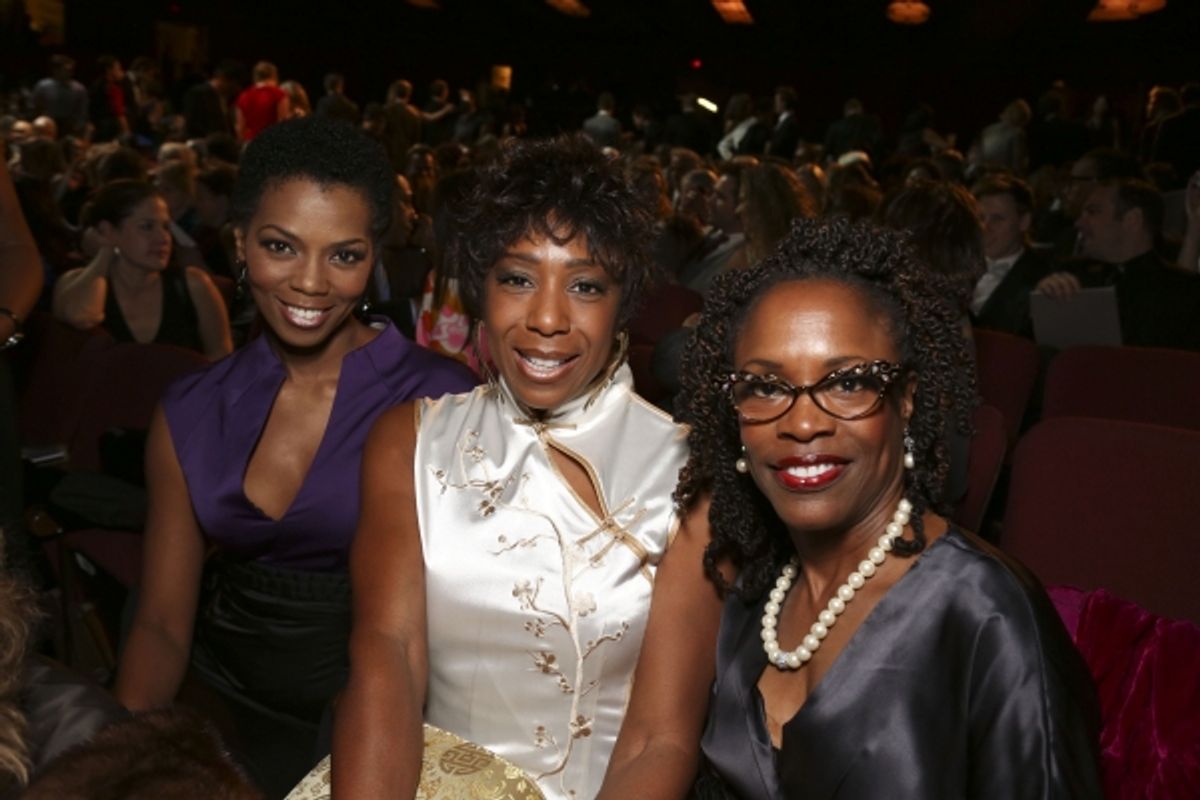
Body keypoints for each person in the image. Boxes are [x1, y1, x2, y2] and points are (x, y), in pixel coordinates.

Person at [332, 136, 721, 799]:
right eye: (517, 278)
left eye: (585, 286)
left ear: (623, 304)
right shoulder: (411, 443)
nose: (546, 317)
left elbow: (664, 738)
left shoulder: (691, 476)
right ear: (480, 289)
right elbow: (386, 660)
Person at [673, 216, 1102, 798]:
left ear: (905, 402)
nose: (802, 422)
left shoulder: (988, 617)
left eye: (848, 383)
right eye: (766, 387)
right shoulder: (750, 588)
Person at [111, 117, 476, 797]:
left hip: (377, 704)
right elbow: (161, 624)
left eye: (344, 255)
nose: (311, 283)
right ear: (240, 244)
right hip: (215, 701)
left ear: (375, 259)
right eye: (282, 246)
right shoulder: (191, 408)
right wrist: (111, 764)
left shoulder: (443, 398)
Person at [51, 180, 233, 359]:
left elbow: (222, 357)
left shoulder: (194, 284)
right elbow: (81, 316)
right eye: (147, 227)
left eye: (165, 227)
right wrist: (106, 251)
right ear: (108, 231)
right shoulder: (77, 282)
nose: (163, 238)